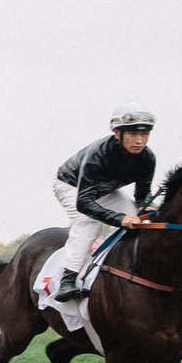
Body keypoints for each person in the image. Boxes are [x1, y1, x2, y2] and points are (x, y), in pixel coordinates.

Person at [52, 105, 159, 302]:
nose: (139, 141)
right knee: (89, 224)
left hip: (104, 190)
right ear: (117, 133)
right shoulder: (98, 155)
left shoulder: (147, 158)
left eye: (145, 135)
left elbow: (142, 195)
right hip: (71, 187)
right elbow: (83, 203)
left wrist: (147, 206)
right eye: (133, 134)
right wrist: (119, 219)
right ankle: (67, 280)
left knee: (140, 223)